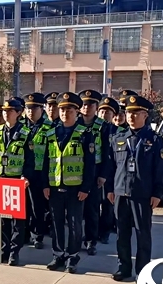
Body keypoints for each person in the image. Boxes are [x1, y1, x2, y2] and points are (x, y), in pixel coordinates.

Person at [105, 95, 163, 282]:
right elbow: (111, 166)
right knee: (122, 233)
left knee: (142, 234)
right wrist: (109, 189)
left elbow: (159, 169)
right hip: (121, 192)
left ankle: (142, 271)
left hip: (143, 194)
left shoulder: (154, 140)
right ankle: (123, 268)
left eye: (135, 113)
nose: (131, 116)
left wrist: (157, 193)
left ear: (145, 115)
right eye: (128, 112)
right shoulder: (118, 137)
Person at [44, 92, 96, 273]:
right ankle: (57, 255)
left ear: (77, 112)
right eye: (63, 109)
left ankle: (72, 257)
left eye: (70, 110)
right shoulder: (51, 134)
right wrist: (45, 185)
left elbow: (90, 165)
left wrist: (86, 188)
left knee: (74, 224)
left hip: (76, 189)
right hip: (55, 186)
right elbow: (46, 161)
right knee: (56, 223)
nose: (65, 113)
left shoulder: (85, 135)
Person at [0, 99, 34, 266]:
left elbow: (30, 160)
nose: (5, 113)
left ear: (18, 113)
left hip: (16, 181)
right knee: (3, 220)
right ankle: (3, 250)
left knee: (17, 220)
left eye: (10, 111)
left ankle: (14, 252)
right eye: (4, 111)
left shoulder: (26, 133)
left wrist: (26, 176)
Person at [78, 89, 111, 256]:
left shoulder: (103, 126)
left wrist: (103, 175)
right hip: (75, 170)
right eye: (84, 104)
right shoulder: (74, 123)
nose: (86, 107)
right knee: (76, 209)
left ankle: (91, 240)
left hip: (95, 171)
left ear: (96, 107)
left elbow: (106, 152)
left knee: (92, 208)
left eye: (90, 104)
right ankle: (76, 240)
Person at [23, 92, 53, 249]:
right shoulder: (21, 127)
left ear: (42, 109)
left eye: (34, 108)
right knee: (23, 206)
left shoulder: (49, 127)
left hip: (41, 172)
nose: (30, 111)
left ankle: (37, 235)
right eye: (28, 108)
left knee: (37, 206)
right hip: (23, 173)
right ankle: (24, 234)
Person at [97, 96, 122, 244]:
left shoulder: (118, 133)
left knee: (108, 205)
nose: (104, 115)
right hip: (95, 173)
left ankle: (104, 232)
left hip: (112, 174)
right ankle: (91, 233)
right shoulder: (92, 129)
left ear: (113, 115)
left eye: (108, 112)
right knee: (92, 207)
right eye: (102, 111)